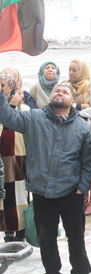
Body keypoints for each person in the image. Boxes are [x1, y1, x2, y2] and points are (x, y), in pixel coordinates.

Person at [0, 82, 91, 274]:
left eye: (65, 92)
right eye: (57, 91)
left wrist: (82, 187)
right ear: (51, 97)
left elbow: (89, 161)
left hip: (71, 193)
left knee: (76, 237)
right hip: (42, 192)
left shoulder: (82, 127)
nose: (59, 93)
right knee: (47, 239)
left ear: (72, 101)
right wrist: (1, 94)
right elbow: (7, 117)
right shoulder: (34, 118)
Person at [65, 58, 91, 216]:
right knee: (77, 164)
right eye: (70, 70)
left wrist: (73, 109)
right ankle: (83, 200)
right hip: (71, 132)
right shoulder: (66, 86)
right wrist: (80, 106)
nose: (71, 73)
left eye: (75, 70)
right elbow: (60, 107)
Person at [0, 73, 28, 242]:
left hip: (20, 160)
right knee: (5, 198)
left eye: (2, 84)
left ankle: (22, 233)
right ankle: (8, 233)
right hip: (2, 162)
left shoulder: (23, 109)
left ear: (11, 87)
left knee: (21, 197)